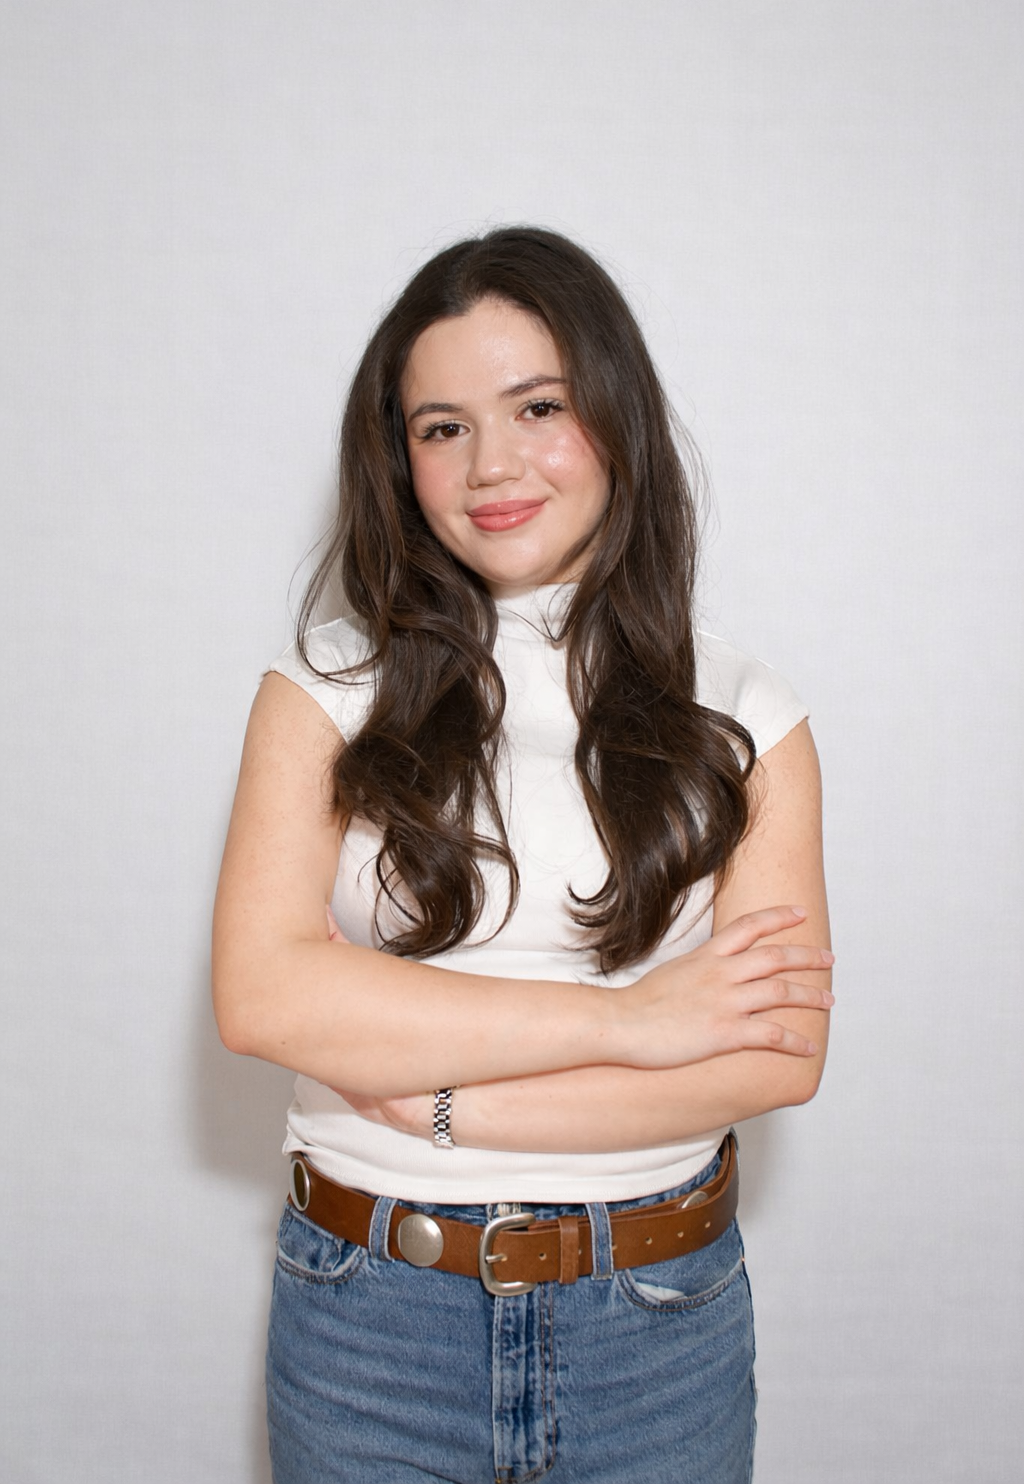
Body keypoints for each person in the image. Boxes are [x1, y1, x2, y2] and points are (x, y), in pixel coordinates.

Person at [212, 226, 833, 1484]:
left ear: (614, 416)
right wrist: (640, 1021)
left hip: (656, 1327)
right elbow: (264, 998)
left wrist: (442, 1097)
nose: (489, 464)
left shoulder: (748, 716)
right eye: (440, 426)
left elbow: (773, 1058)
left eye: (536, 406)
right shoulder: (322, 691)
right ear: (399, 458)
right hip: (369, 1322)